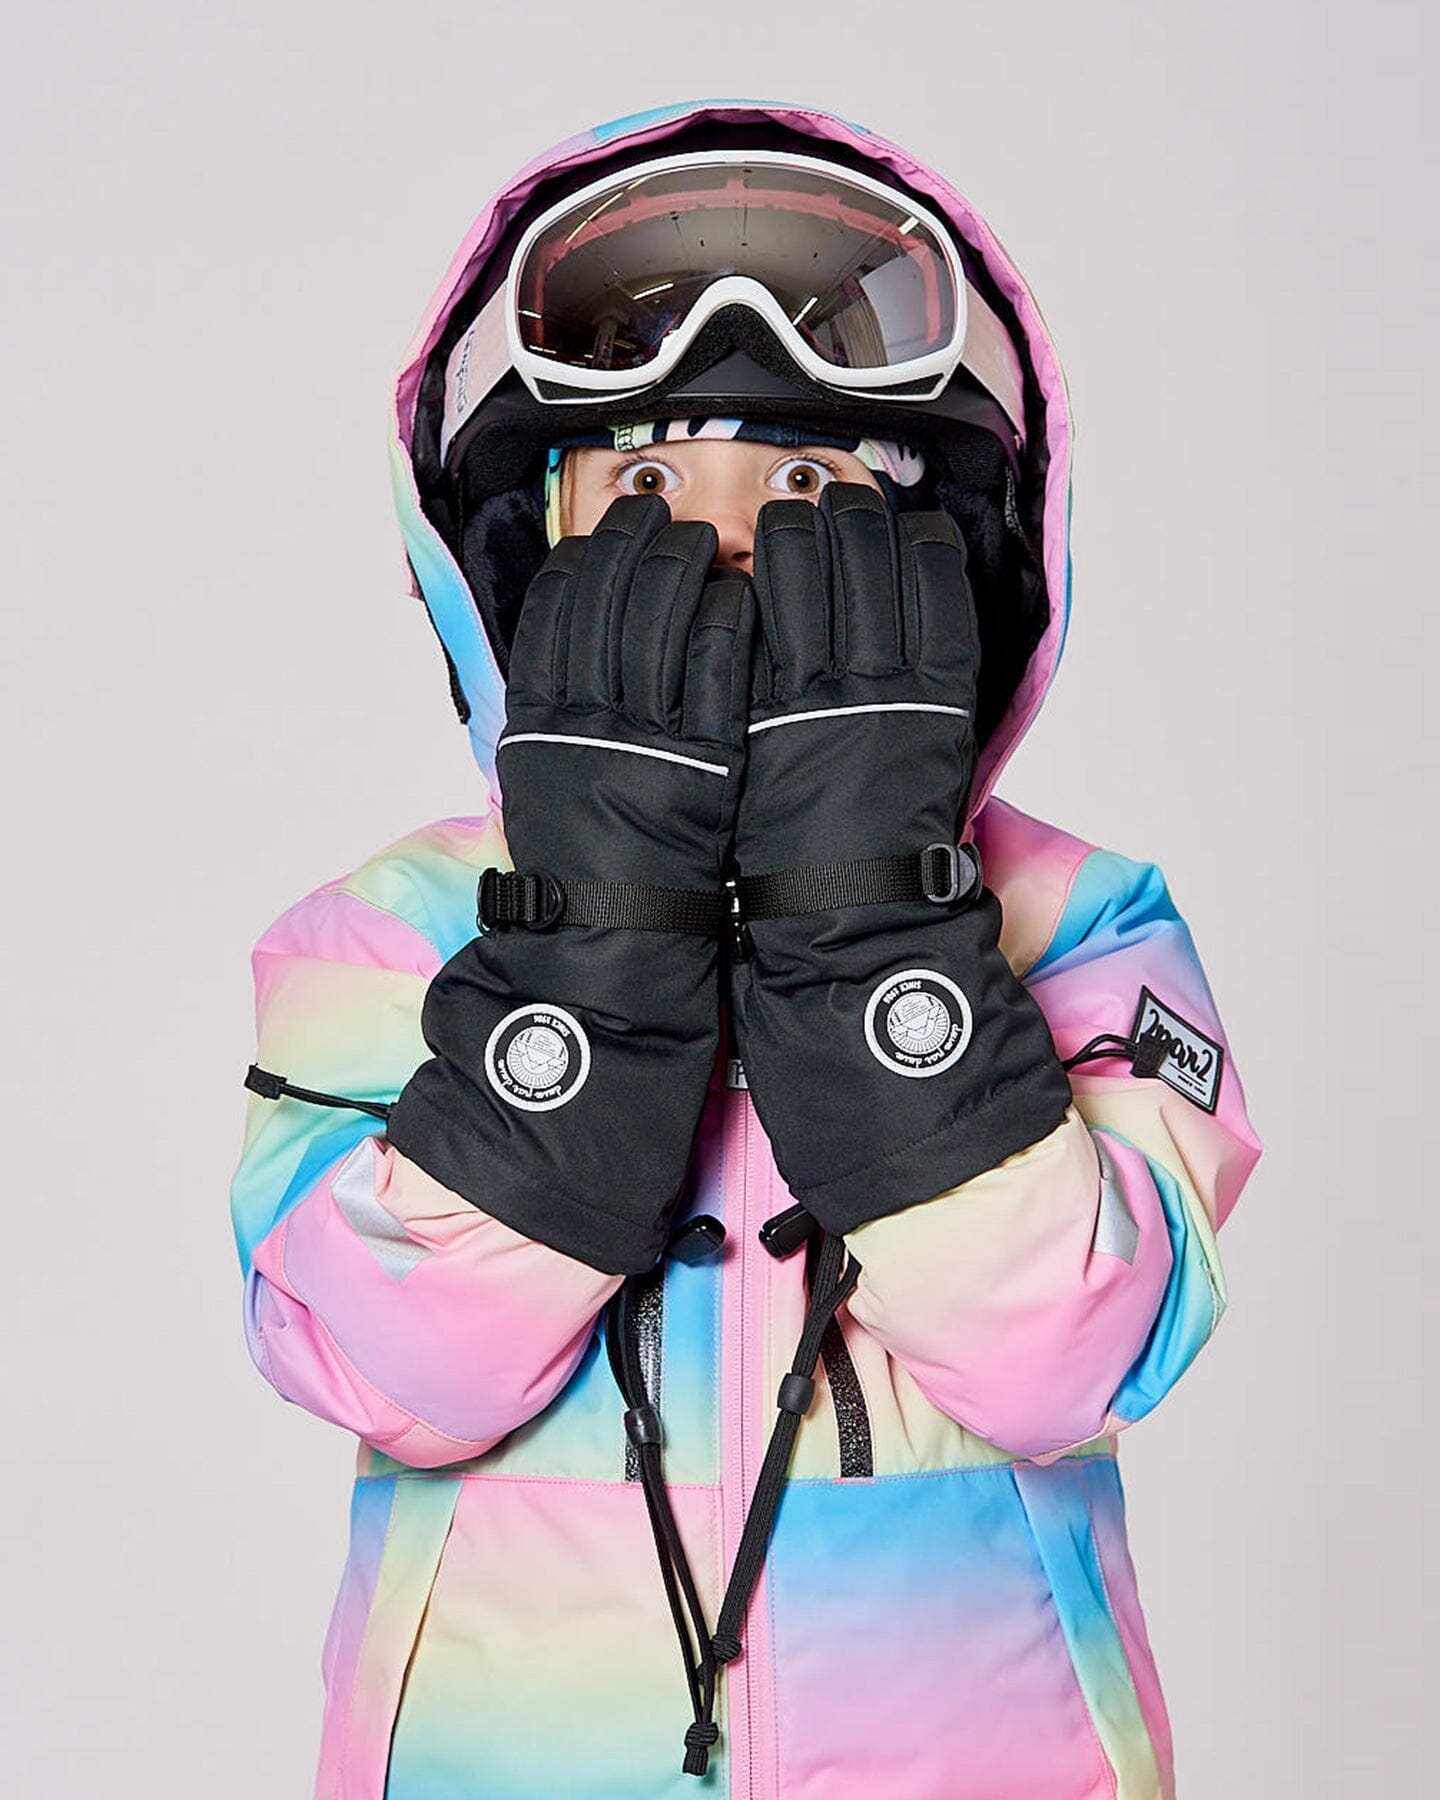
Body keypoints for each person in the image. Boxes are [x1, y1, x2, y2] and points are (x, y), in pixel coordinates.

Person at [230, 100, 1261, 1800]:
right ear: (527, 555)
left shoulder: (1086, 922)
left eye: (800, 485)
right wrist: (593, 940)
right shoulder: (391, 931)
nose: (719, 547)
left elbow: (1074, 1359)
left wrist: (873, 916)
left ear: (933, 549)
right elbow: (387, 1369)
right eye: (643, 487)